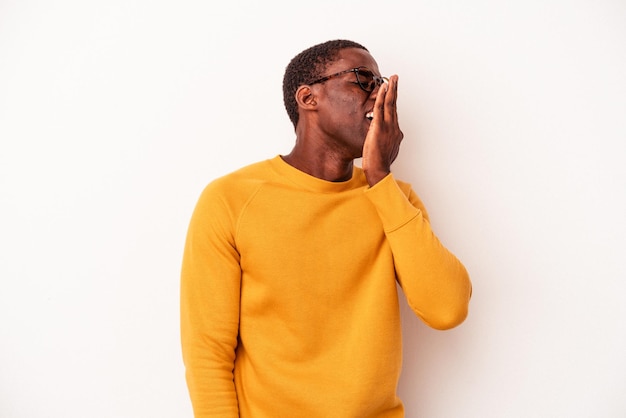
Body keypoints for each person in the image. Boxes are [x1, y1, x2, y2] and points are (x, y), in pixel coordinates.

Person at [180, 39, 472, 418]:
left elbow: (447, 309)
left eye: (381, 84)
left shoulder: (394, 200)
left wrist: (380, 178)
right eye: (362, 80)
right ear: (308, 97)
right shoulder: (231, 199)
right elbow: (208, 354)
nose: (378, 95)